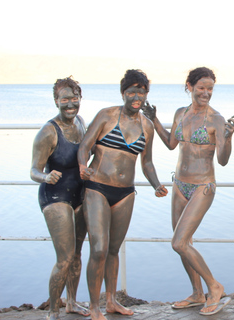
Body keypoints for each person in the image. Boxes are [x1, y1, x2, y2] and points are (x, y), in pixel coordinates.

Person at [142, 67, 234, 316]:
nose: (206, 93)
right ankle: (196, 293)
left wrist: (227, 136)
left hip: (203, 186)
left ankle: (214, 287)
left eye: (210, 89)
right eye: (202, 88)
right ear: (190, 86)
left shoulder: (216, 119)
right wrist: (153, 119)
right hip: (179, 185)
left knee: (179, 242)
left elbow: (224, 160)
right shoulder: (180, 114)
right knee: (185, 243)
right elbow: (171, 144)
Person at [77, 69, 168, 320]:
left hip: (126, 193)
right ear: (123, 93)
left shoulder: (147, 126)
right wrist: (83, 166)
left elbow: (146, 162)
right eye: (131, 91)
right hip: (97, 187)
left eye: (141, 91)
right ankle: (94, 306)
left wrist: (156, 185)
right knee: (99, 248)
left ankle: (111, 301)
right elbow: (85, 145)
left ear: (146, 94)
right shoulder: (106, 115)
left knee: (114, 250)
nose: (136, 96)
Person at [30, 76, 90, 320]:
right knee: (64, 259)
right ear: (56, 101)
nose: (70, 104)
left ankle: (72, 303)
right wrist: (45, 177)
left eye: (74, 98)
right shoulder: (48, 131)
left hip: (79, 194)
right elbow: (34, 170)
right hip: (54, 197)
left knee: (76, 255)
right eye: (64, 99)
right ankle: (53, 312)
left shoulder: (81, 123)